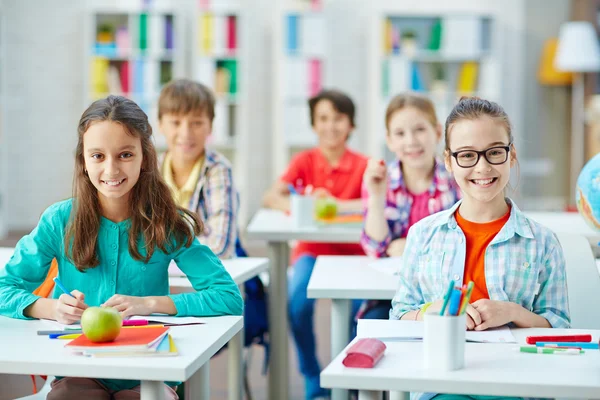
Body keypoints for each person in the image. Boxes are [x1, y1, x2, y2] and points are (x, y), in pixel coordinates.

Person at [0, 95, 243, 400]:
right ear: (83, 162)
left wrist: (150, 304)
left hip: (147, 371)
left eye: (125, 154)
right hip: (78, 369)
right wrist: (50, 308)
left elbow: (228, 297)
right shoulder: (59, 220)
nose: (111, 169)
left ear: (145, 158)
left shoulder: (168, 222)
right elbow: (4, 288)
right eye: (98, 156)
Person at [391, 96, 570, 400]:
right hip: (442, 384)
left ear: (511, 155)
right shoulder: (422, 235)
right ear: (448, 161)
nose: (483, 167)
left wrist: (511, 311)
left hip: (515, 384)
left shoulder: (542, 241)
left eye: (494, 152)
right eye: (467, 156)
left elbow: (560, 329)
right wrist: (430, 311)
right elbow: (400, 317)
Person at [263, 89, 367, 399]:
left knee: (355, 317)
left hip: (354, 255)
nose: (330, 125)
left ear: (351, 124)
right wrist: (304, 202)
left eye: (338, 118)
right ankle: (312, 374)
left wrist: (337, 205)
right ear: (313, 123)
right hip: (310, 251)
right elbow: (271, 196)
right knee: (296, 305)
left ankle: (348, 380)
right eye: (323, 118)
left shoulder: (364, 164)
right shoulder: (304, 161)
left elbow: (376, 202)